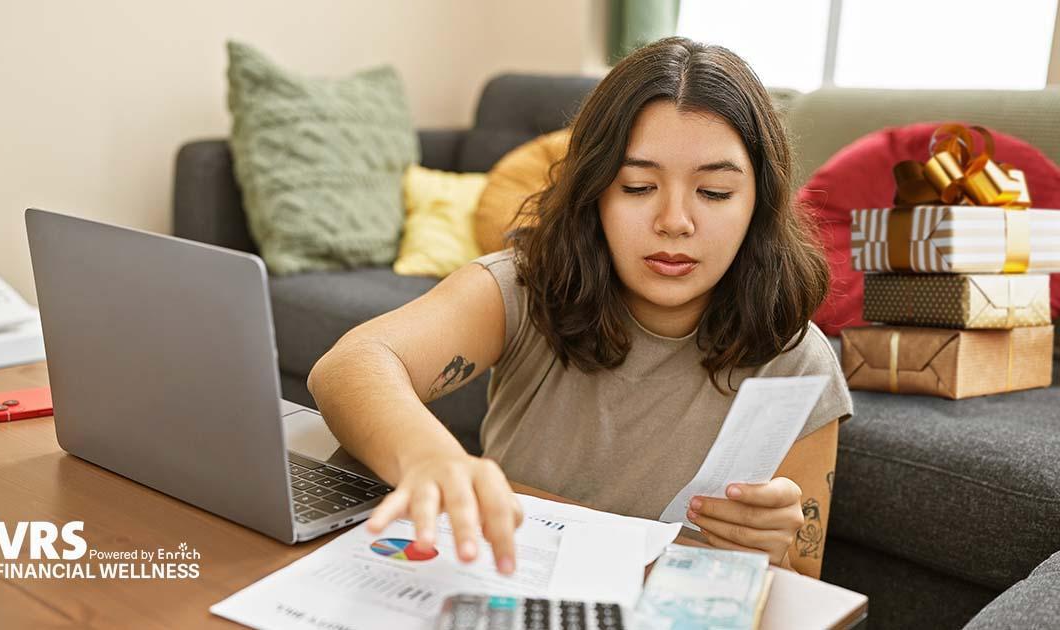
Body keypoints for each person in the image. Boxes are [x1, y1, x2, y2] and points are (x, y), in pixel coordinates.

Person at [307, 36, 852, 579]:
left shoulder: (797, 360)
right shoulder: (525, 286)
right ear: (595, 191)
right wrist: (429, 458)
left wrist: (774, 546)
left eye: (714, 193)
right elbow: (351, 364)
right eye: (637, 186)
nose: (675, 221)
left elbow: (804, 583)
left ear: (760, 203)